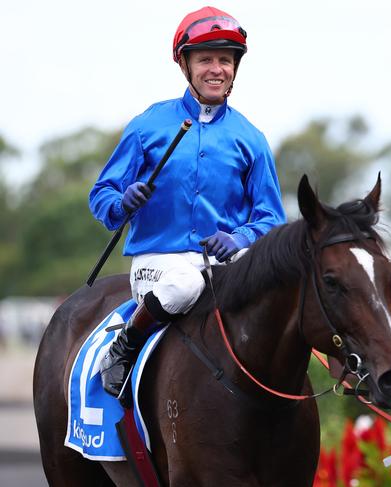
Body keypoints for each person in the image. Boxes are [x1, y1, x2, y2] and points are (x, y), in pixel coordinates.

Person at [89, 6, 285, 399]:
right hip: (159, 265)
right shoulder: (148, 125)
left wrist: (239, 237)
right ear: (185, 64)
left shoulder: (252, 138)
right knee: (184, 283)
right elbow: (102, 195)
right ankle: (122, 350)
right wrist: (123, 201)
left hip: (223, 264)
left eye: (225, 60)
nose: (217, 69)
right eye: (206, 59)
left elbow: (271, 217)